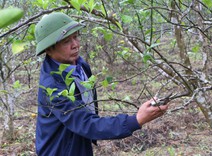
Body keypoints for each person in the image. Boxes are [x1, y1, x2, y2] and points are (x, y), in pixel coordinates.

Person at [35, 12, 169, 156]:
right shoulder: (52, 87)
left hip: (78, 141)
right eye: (66, 41)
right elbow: (85, 123)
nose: (75, 45)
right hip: (59, 150)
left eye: (75, 37)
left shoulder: (80, 65)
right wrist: (136, 120)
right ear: (49, 49)